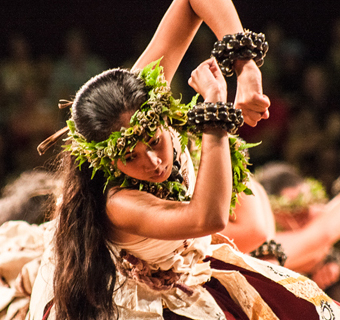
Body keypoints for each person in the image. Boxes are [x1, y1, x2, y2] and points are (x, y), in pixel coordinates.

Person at [22, 1, 340, 320]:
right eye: (130, 157)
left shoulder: (135, 100)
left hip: (191, 263)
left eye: (155, 141)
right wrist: (215, 110)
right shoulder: (118, 203)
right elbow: (207, 217)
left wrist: (246, 68)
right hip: (138, 301)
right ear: (108, 162)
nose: (153, 162)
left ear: (159, 110)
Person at [256, 161, 340, 298]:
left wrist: (332, 258)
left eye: (307, 208)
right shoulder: (262, 243)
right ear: (272, 212)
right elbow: (323, 234)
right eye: (295, 213)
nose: (306, 216)